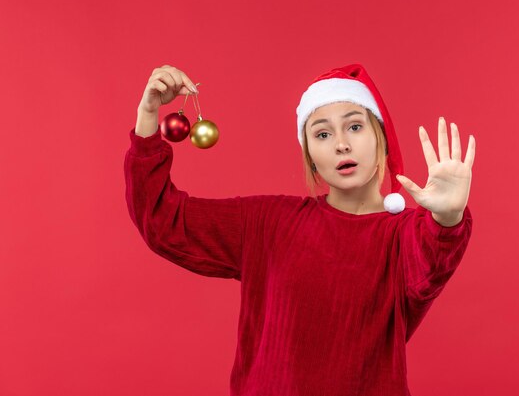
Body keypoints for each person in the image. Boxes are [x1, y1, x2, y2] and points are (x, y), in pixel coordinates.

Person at [124, 63, 475, 396]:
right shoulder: (268, 222)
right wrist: (147, 119)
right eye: (322, 133)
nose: (341, 143)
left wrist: (448, 218)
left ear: (379, 136)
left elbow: (430, 261)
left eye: (355, 126)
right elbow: (164, 222)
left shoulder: (404, 237)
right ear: (309, 155)